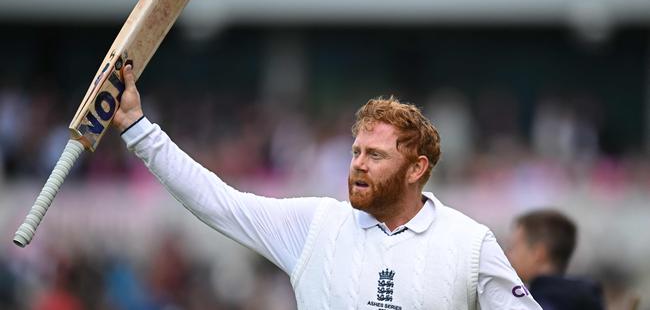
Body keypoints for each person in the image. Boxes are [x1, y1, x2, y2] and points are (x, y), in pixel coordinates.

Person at [113, 64, 541, 309]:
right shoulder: (315, 226)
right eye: (356, 152)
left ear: (416, 168)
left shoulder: (468, 243)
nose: (358, 165)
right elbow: (218, 202)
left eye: (375, 156)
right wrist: (137, 128)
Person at [507, 209, 605, 310]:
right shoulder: (587, 297)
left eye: (513, 247)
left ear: (538, 253)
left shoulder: (536, 304)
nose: (508, 256)